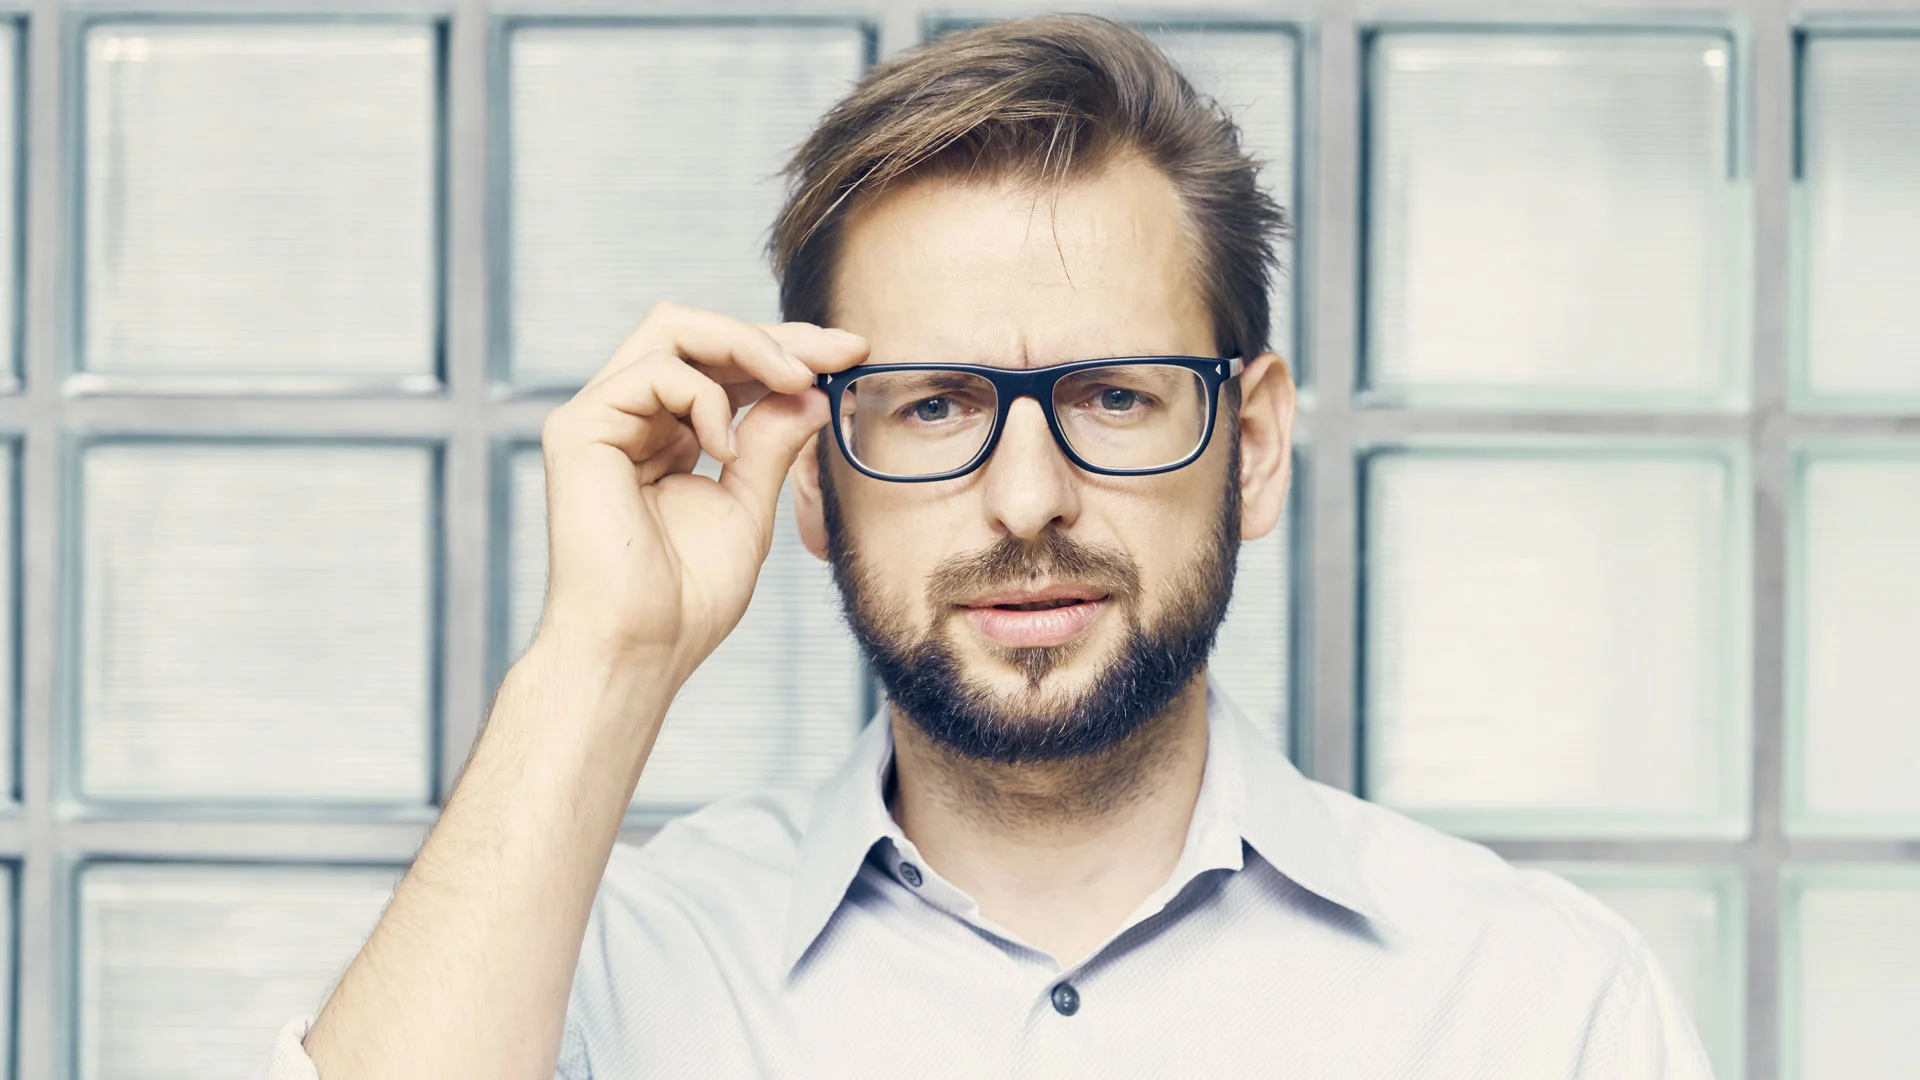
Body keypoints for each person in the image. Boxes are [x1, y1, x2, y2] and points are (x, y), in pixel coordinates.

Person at [266, 15, 1713, 1079]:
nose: (1028, 500)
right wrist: (603, 657)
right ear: (816, 480)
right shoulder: (590, 980)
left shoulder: (1538, 1004)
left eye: (1111, 395)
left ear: (1252, 444)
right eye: (935, 404)